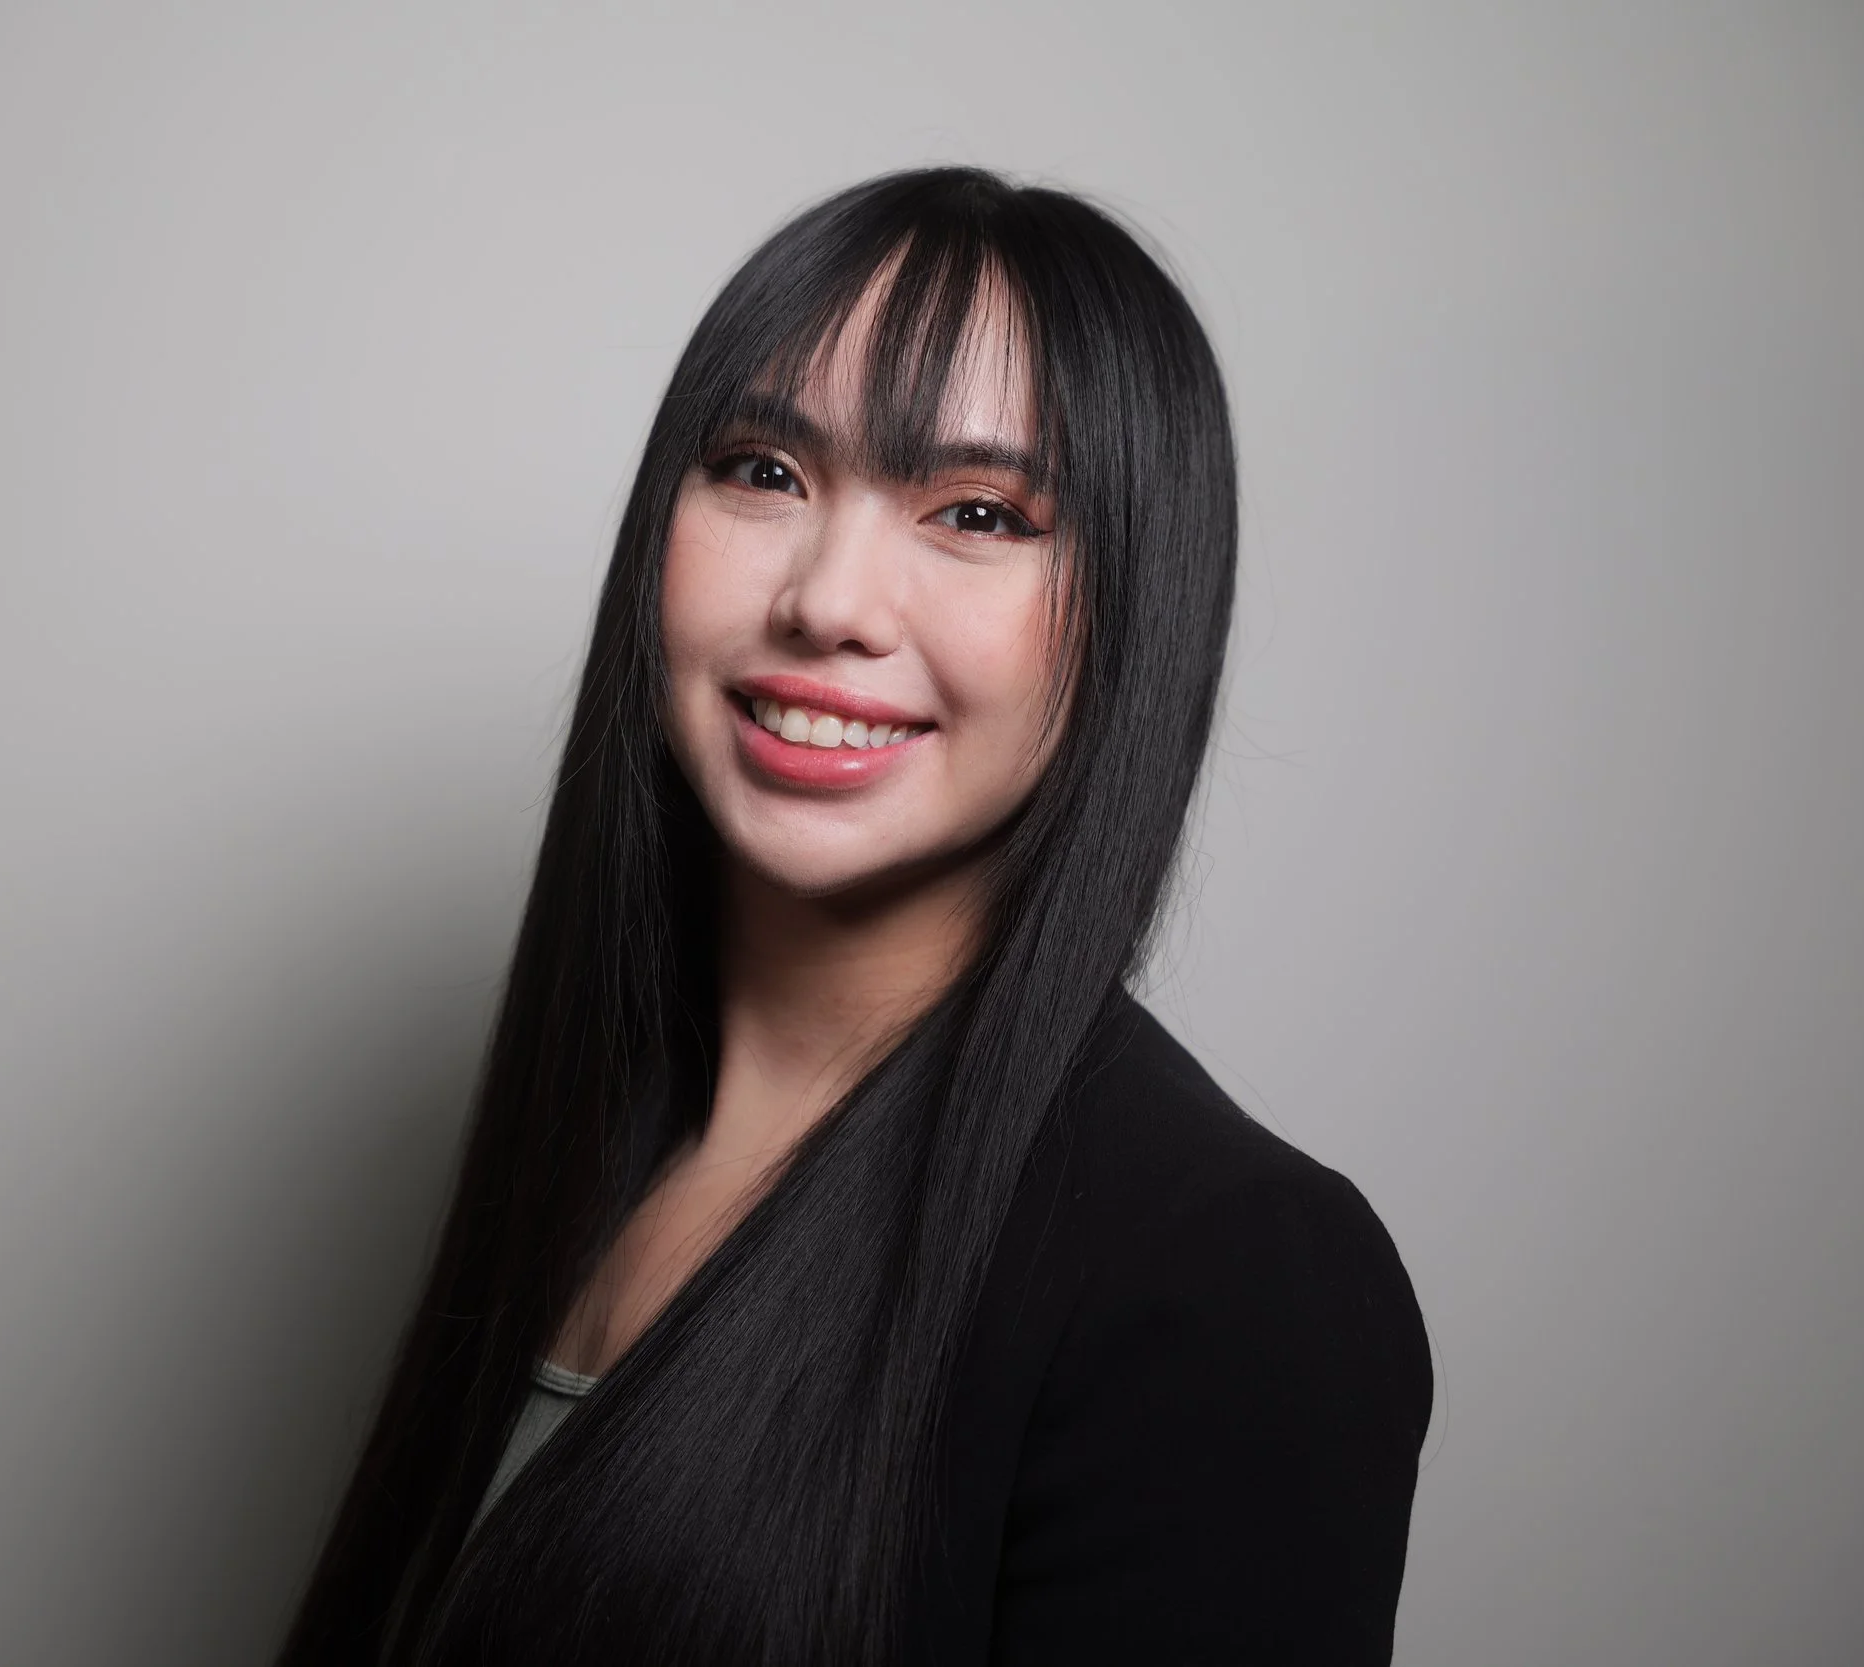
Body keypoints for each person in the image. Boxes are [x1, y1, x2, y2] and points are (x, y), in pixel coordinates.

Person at [277, 166, 1432, 1667]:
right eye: (766, 470)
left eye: (976, 511)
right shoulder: (593, 1134)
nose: (830, 599)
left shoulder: (1230, 1281)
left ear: (1135, 609)